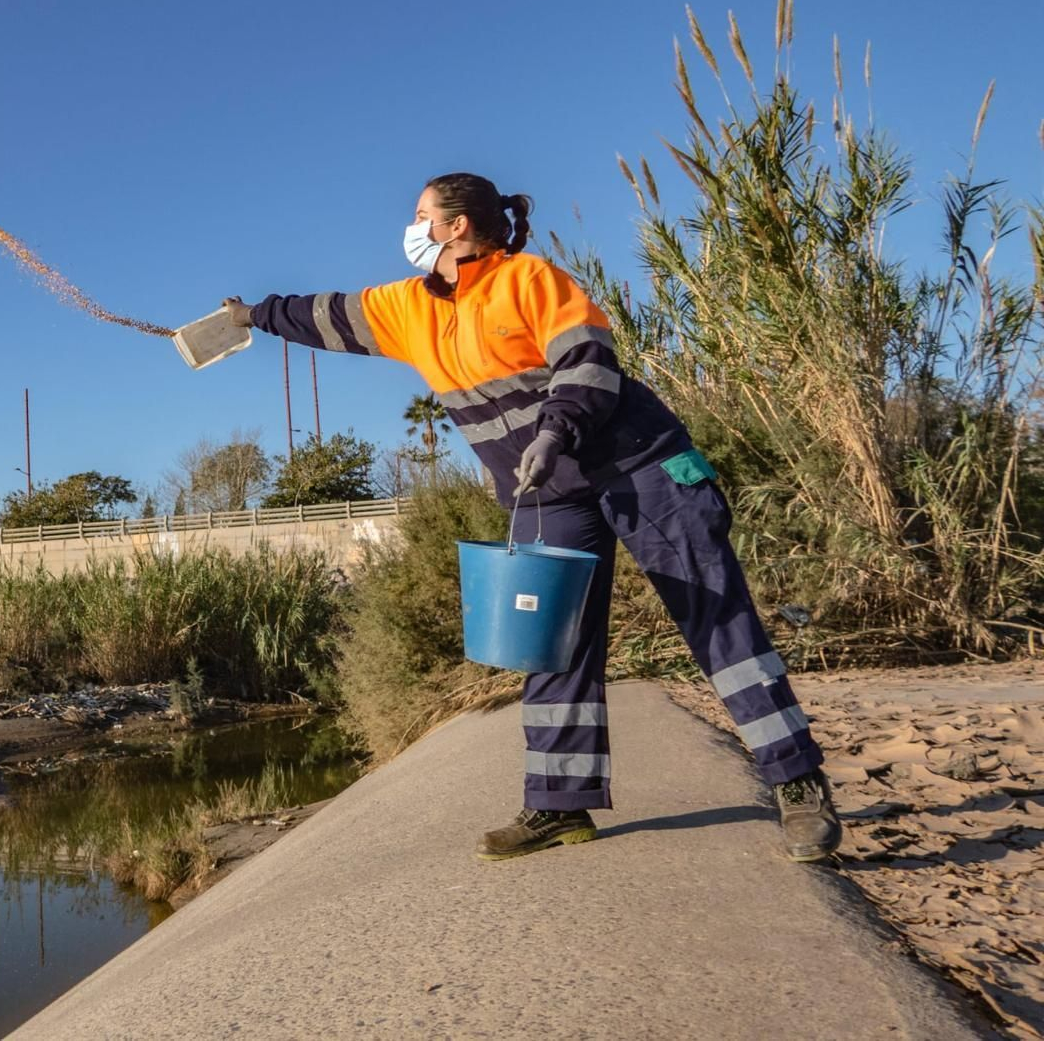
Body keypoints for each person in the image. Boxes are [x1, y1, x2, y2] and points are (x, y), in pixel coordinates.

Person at [222, 172, 842, 863]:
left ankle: (796, 781)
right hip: (545, 495)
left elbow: (588, 362)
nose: (412, 226)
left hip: (640, 466)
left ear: (456, 227)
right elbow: (324, 314)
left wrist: (554, 430)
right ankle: (559, 806)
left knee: (717, 619)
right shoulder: (407, 308)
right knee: (549, 642)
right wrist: (252, 315)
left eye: (421, 214)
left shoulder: (530, 280)